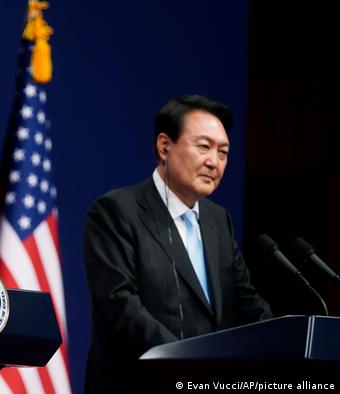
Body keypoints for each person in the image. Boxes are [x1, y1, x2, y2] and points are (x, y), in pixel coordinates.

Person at [83, 95, 272, 392]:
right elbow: (119, 307)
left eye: (223, 152)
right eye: (203, 147)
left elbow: (246, 301)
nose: (214, 162)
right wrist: (190, 364)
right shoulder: (117, 211)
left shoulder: (218, 220)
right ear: (164, 146)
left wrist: (282, 340)